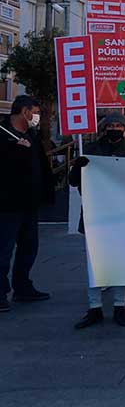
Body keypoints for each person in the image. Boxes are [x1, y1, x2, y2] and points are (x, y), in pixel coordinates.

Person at [69, 114, 125, 328]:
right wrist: (78, 166)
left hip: (122, 212)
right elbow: (74, 182)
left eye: (119, 125)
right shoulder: (89, 150)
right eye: (111, 125)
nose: (115, 128)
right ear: (104, 127)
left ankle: (120, 305)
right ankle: (94, 307)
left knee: (121, 261)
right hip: (95, 211)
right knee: (94, 262)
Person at [0, 96, 54, 313]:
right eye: (35, 111)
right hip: (6, 204)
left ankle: (22, 286)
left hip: (30, 203)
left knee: (29, 247)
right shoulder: (3, 135)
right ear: (25, 112)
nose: (37, 117)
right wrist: (15, 152)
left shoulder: (31, 135)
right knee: (4, 249)